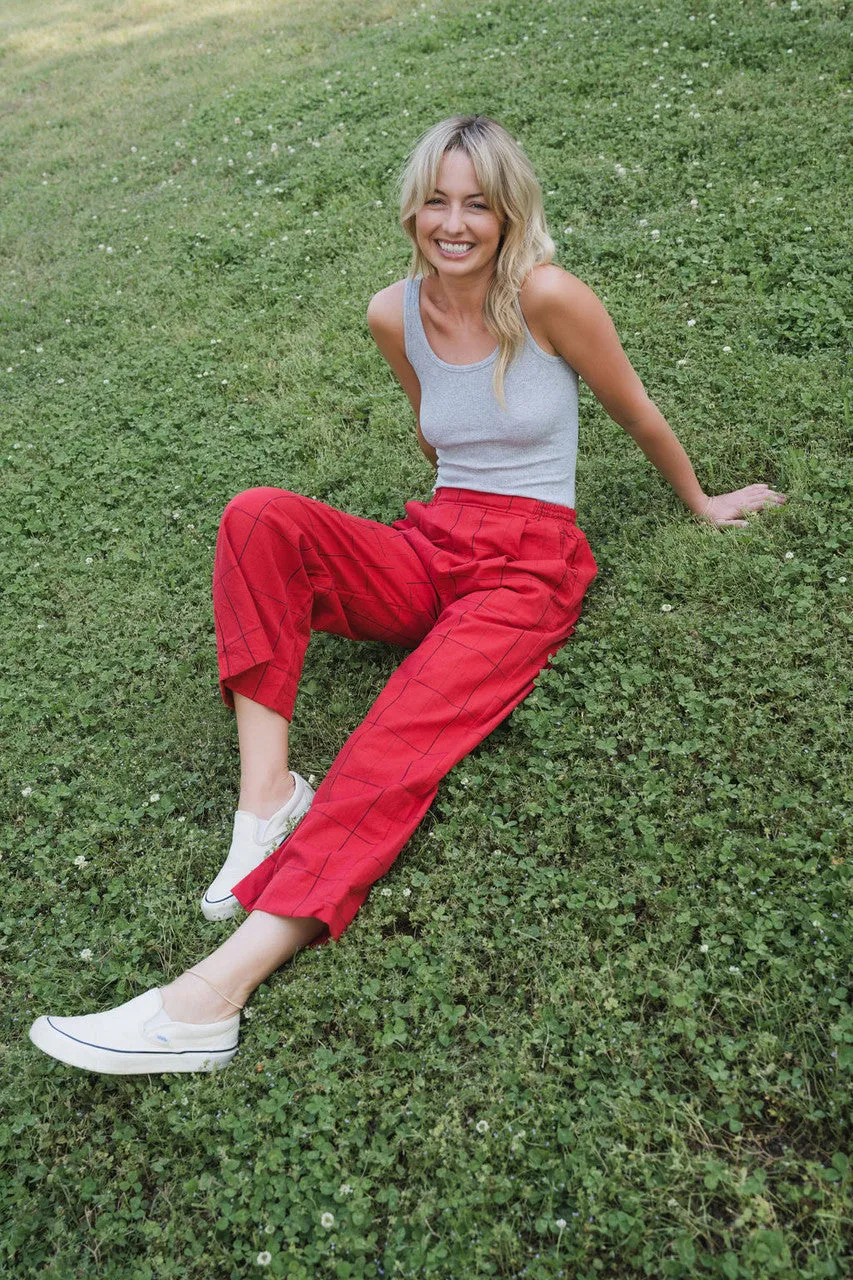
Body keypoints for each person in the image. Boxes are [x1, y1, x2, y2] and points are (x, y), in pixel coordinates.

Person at [29, 114, 785, 1074]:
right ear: (412, 209)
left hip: (530, 564)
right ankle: (269, 795)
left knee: (401, 729)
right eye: (437, 199)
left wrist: (702, 500)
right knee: (258, 516)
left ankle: (207, 999)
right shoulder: (393, 312)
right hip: (432, 539)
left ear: (510, 214)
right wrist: (427, 534)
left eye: (477, 203)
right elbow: (438, 441)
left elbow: (632, 408)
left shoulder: (549, 298)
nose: (454, 222)